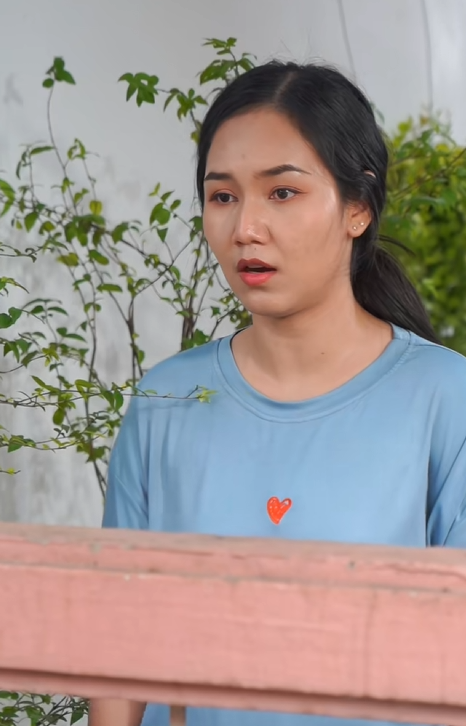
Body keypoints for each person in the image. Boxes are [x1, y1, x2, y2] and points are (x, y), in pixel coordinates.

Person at [89, 60, 466, 726]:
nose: (245, 229)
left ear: (357, 207)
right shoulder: (165, 400)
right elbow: (119, 640)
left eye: (283, 192)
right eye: (223, 196)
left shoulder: (445, 397)